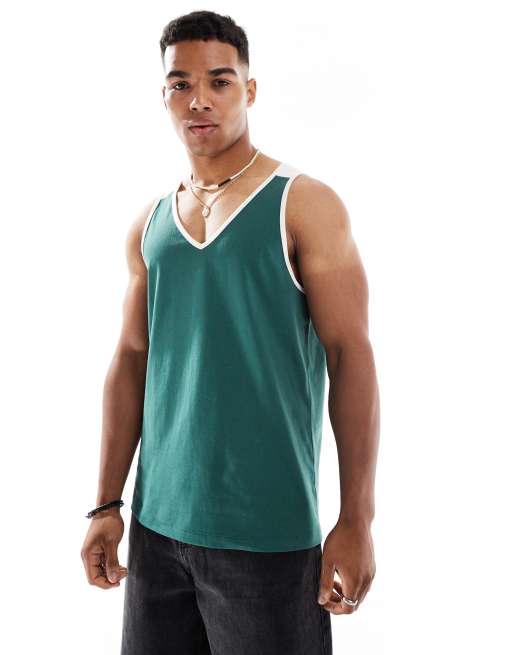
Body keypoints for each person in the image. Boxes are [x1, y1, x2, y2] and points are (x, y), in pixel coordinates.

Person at [80, 10, 380, 655]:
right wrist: (106, 505)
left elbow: (350, 355)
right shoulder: (151, 222)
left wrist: (356, 518)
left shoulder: (303, 203)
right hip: (158, 532)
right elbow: (131, 359)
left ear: (250, 89)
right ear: (164, 95)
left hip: (266, 535)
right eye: (180, 84)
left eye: (219, 81)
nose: (199, 100)